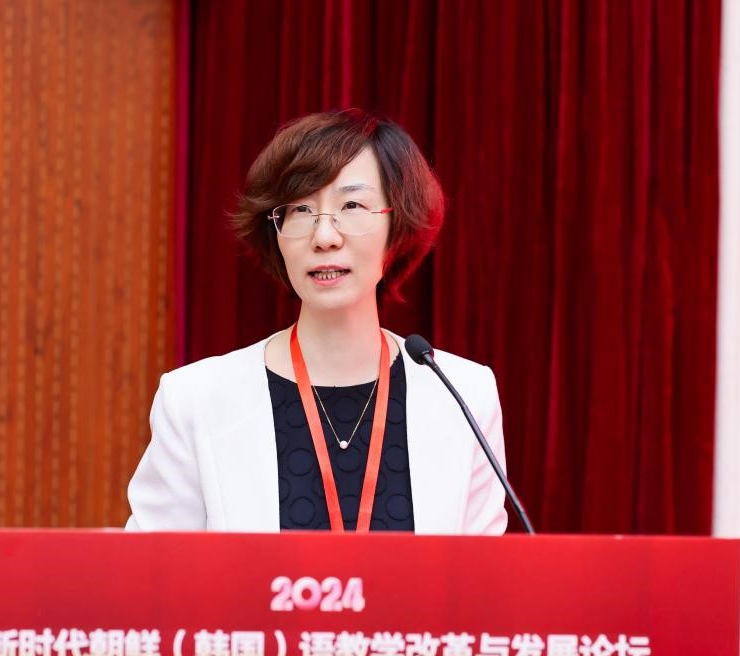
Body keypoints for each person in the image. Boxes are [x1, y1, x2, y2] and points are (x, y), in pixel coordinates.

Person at [126, 109, 508, 534]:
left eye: (352, 205)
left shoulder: (464, 395)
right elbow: (152, 569)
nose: (324, 236)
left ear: (396, 225)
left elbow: (484, 572)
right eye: (301, 209)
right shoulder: (196, 400)